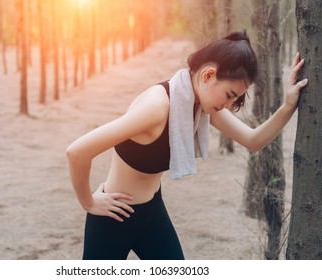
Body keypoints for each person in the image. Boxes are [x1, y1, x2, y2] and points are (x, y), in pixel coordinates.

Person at [65, 30, 308, 260]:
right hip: (114, 218)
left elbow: (253, 141)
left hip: (152, 212)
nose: (228, 104)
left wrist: (288, 106)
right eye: (229, 94)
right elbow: (77, 152)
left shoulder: (198, 105)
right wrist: (89, 202)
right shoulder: (157, 107)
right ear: (208, 75)